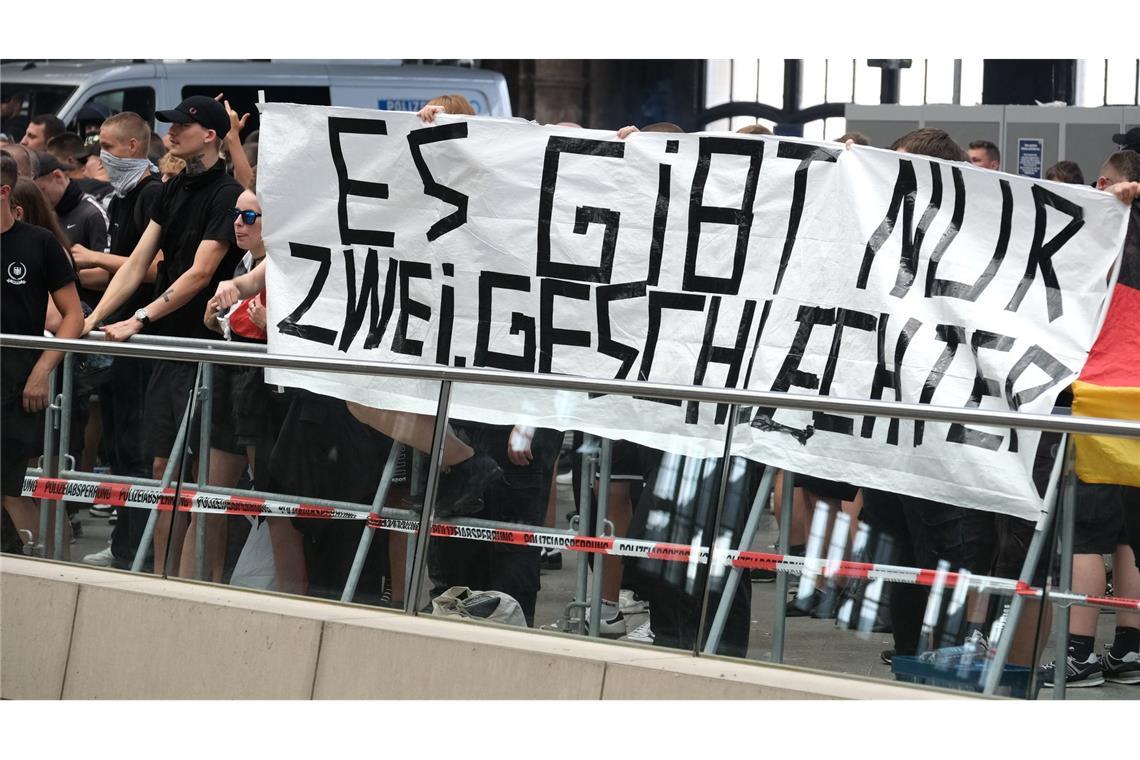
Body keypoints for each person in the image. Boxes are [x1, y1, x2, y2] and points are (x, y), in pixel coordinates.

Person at [79, 95, 246, 577]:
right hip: (168, 350)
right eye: (169, 126)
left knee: (199, 481)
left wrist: (140, 319)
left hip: (204, 350)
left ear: (210, 134)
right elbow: (137, 263)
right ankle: (159, 577)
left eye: (181, 126)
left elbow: (201, 273)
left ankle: (200, 583)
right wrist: (93, 320)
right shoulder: (172, 188)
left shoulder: (227, 194)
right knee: (160, 472)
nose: (169, 133)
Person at [1041, 149, 1140, 688]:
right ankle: (1128, 648)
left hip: (1101, 395)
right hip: (1133, 401)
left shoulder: (1098, 243)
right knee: (1128, 534)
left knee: (1084, 537)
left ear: (1105, 183)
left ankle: (1077, 653)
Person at [204, 188, 307, 593]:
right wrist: (219, 314)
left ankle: (290, 599)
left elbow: (306, 332)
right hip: (232, 377)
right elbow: (212, 319)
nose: (238, 223)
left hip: (269, 388)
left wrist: (270, 326)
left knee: (274, 504)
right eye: (236, 214)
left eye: (250, 217)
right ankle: (202, 585)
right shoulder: (244, 262)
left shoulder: (289, 261)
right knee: (207, 498)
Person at [74, 111, 164, 570]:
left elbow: (149, 268)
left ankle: (137, 549)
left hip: (143, 337)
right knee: (119, 445)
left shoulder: (151, 194)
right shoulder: (124, 196)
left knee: (136, 447)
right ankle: (125, 540)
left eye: (108, 145)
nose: (101, 155)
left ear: (132, 147)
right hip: (118, 335)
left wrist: (95, 259)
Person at [1, 153, 84, 556]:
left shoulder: (38, 244)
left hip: (16, 386)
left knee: (9, 488)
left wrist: (42, 369)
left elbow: (73, 317)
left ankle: (44, 566)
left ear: (4, 192)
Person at [32, 151, 110, 305]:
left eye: (41, 191)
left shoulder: (92, 213)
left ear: (58, 176)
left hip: (89, 311)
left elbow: (107, 275)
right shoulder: (48, 212)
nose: (39, 200)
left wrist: (60, 275)